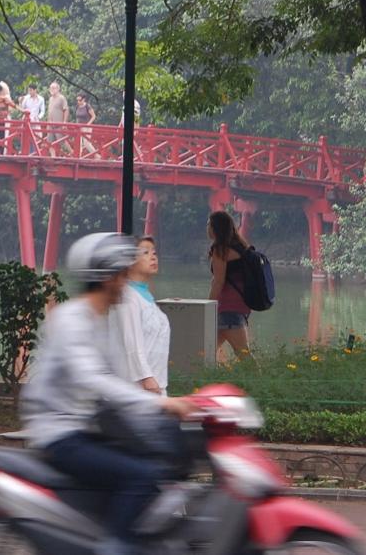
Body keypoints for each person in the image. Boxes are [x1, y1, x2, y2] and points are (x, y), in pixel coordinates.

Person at [20, 232, 199, 555]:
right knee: (141, 476)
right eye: (120, 274)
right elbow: (96, 380)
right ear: (106, 278)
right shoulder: (74, 320)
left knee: (150, 464)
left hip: (84, 426)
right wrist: (159, 401)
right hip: (60, 432)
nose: (124, 280)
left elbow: (109, 381)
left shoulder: (97, 317)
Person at [112, 236, 171, 395]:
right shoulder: (128, 297)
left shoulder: (144, 296)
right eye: (145, 252)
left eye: (154, 252)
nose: (153, 256)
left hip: (155, 383)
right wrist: (146, 377)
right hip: (139, 386)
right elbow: (131, 341)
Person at [207, 210, 252, 361]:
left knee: (244, 356)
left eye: (209, 224)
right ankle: (209, 380)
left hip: (227, 308)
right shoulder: (240, 246)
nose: (207, 227)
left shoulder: (221, 250)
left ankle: (261, 382)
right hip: (240, 306)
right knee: (204, 351)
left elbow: (218, 282)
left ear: (216, 227)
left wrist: (208, 306)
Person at [45, 81, 71, 156]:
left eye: (53, 88)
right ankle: (53, 157)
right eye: (50, 88)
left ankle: (72, 153)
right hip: (51, 124)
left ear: (58, 89)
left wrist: (64, 122)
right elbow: (49, 111)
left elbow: (66, 109)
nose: (52, 90)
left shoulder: (61, 98)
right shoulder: (50, 99)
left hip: (58, 124)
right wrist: (48, 123)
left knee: (62, 141)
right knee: (49, 142)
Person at [19, 84, 44, 154]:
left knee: (36, 137)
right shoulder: (26, 98)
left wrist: (38, 117)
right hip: (27, 120)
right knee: (25, 136)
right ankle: (25, 152)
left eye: (31, 90)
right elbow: (22, 108)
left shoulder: (41, 99)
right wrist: (20, 102)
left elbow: (42, 111)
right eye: (29, 90)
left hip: (35, 120)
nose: (29, 92)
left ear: (35, 90)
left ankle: (34, 153)